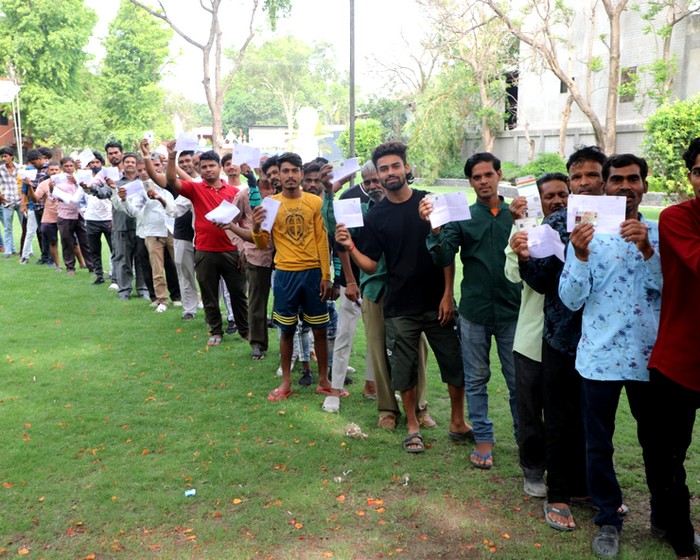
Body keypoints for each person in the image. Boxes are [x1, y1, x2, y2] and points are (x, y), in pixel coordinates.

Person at [336, 141, 471, 453]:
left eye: (395, 166)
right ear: (378, 176)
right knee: (405, 369)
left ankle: (457, 421)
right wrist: (350, 246)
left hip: (438, 302)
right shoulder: (376, 216)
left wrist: (448, 294)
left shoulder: (428, 202)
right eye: (383, 169)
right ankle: (411, 424)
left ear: (407, 168)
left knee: (453, 363)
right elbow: (371, 263)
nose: (390, 172)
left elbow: (448, 254)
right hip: (400, 305)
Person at [559, 154, 661, 558]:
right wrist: (580, 256)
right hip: (598, 359)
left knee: (657, 443)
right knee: (598, 444)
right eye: (616, 179)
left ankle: (665, 517)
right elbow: (570, 300)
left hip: (650, 358)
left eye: (632, 179)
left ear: (644, 186)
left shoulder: (659, 231)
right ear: (605, 186)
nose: (624, 186)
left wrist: (648, 249)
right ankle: (607, 519)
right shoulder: (588, 234)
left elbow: (670, 289)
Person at [516, 145, 607, 532]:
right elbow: (538, 280)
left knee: (596, 421)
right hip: (560, 338)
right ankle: (558, 495)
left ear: (603, 179)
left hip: (606, 341)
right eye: (577, 176)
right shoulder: (553, 225)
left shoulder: (619, 222)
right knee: (559, 418)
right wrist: (524, 258)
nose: (584, 181)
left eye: (591, 175)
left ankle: (588, 487)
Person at [421, 152, 521, 469]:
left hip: (512, 310)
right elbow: (443, 255)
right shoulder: (462, 215)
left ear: (499, 174)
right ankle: (483, 438)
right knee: (476, 379)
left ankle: (525, 437)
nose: (482, 181)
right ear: (470, 182)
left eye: (487, 175)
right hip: (475, 310)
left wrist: (524, 220)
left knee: (518, 380)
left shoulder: (516, 214)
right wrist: (436, 229)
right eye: (476, 177)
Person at [646, 138, 700, 560]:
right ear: (691, 177)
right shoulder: (676, 218)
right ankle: (680, 536)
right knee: (669, 457)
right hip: (678, 360)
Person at [505, 172, 570, 496]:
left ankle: (568, 473)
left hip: (569, 342)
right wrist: (521, 238)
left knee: (566, 414)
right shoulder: (527, 231)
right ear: (538, 202)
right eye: (550, 196)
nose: (557, 200)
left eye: (563, 194)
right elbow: (513, 273)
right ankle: (533, 470)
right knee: (530, 410)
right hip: (531, 340)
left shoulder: (580, 234)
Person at [251, 152, 332, 401]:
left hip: (313, 273)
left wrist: (326, 275)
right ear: (278, 175)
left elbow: (322, 240)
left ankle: (324, 381)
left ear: (301, 174)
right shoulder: (270, 204)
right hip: (285, 273)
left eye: (294, 171)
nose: (289, 176)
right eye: (284, 171)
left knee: (320, 328)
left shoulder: (314, 202)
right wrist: (255, 227)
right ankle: (286, 382)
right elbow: (263, 243)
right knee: (286, 331)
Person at [163, 140, 248, 345]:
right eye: (204, 167)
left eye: (212, 166)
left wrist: (243, 248)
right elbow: (171, 181)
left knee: (238, 294)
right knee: (209, 295)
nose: (208, 170)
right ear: (199, 170)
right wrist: (172, 156)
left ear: (220, 168)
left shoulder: (235, 192)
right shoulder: (195, 189)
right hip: (204, 250)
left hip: (231, 250)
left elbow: (243, 221)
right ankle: (216, 331)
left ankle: (246, 332)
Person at [0, 146, 22, 258]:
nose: (4, 158)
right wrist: (0, 196)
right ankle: (8, 251)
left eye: (5, 156)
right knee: (8, 227)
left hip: (20, 200)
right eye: (2, 156)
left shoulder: (20, 168)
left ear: (11, 157)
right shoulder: (0, 169)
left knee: (25, 226)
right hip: (7, 201)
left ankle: (26, 250)